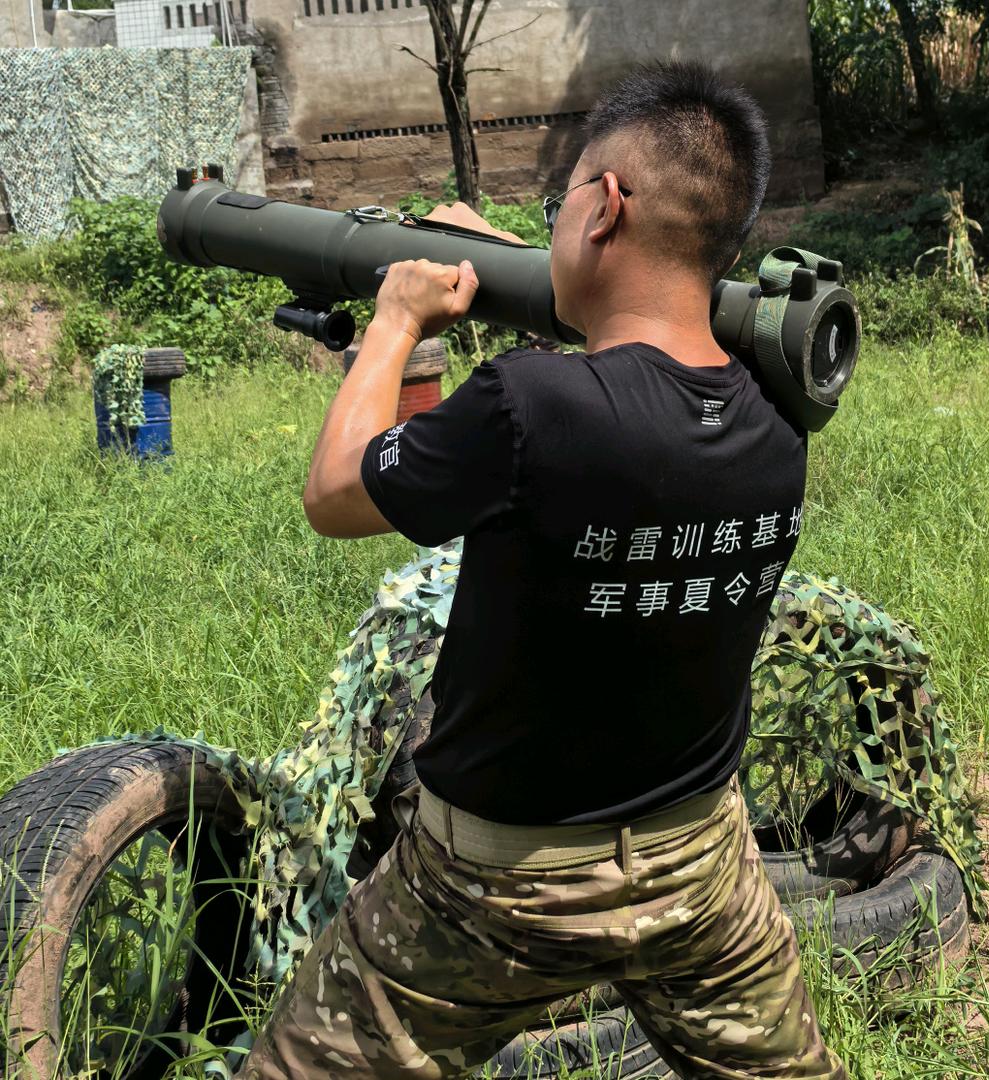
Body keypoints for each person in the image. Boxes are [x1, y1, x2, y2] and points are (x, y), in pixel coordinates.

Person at [239, 59, 847, 1080]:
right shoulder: (776, 417)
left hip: (492, 887)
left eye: (565, 199)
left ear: (604, 206)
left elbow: (335, 493)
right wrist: (519, 262)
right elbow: (636, 358)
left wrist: (395, 319)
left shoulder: (526, 407)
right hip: (698, 866)